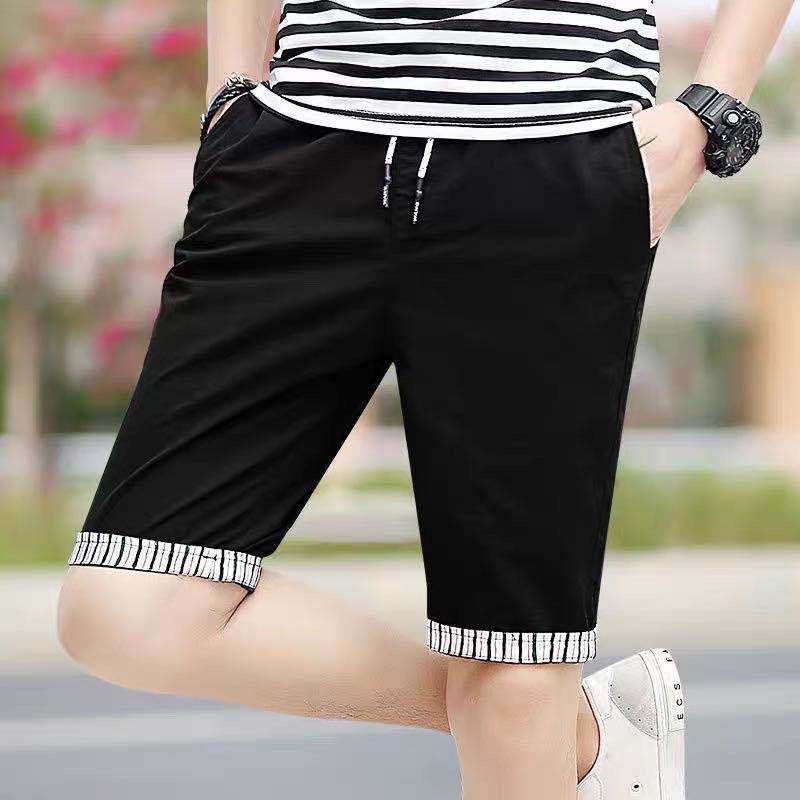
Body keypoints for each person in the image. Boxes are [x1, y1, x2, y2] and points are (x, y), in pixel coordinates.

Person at [57, 1, 790, 797]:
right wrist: (229, 97)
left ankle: (530, 715)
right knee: (127, 609)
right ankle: (575, 729)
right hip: (297, 150)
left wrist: (709, 112)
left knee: (513, 670)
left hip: (550, 164)